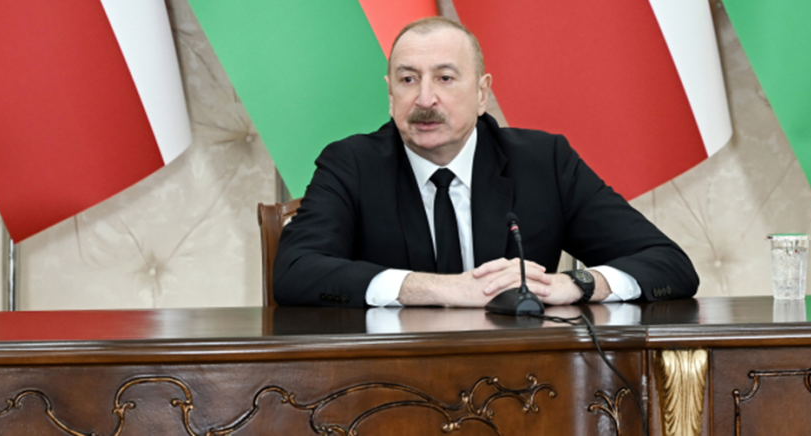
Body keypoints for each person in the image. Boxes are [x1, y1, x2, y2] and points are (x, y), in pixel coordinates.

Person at [273, 17, 699, 307]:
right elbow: (295, 272)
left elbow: (668, 263)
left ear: (481, 93)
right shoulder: (351, 165)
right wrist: (438, 289)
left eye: (445, 78)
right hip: (389, 380)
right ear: (390, 94)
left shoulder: (543, 162)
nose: (425, 98)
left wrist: (577, 284)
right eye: (408, 79)